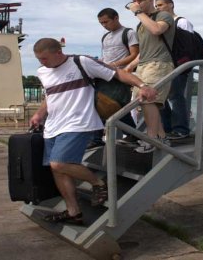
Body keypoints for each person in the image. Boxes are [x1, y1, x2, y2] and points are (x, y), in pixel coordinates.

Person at [30, 38, 157, 224]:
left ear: (58, 52)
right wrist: (39, 115)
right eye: (39, 59)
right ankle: (74, 212)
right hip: (52, 126)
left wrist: (143, 86)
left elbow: (118, 74)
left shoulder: (81, 62)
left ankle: (98, 183)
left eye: (44, 58)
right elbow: (50, 96)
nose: (42, 63)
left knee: (59, 163)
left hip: (78, 123)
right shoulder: (43, 72)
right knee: (58, 171)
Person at [124, 0, 175, 153]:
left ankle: (151, 139)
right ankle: (160, 137)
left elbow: (157, 30)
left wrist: (138, 12)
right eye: (134, 0)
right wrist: (130, 66)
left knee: (148, 99)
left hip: (159, 63)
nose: (136, 3)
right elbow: (143, 51)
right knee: (146, 103)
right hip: (144, 65)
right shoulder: (141, 23)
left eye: (140, 0)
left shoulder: (163, 15)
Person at [87, 7, 140, 148]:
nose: (104, 25)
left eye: (106, 22)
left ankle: (129, 134)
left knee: (114, 105)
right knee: (103, 104)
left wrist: (114, 65)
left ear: (116, 18)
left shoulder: (129, 33)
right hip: (104, 75)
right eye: (101, 23)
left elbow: (134, 54)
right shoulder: (105, 36)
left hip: (121, 75)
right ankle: (131, 134)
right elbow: (106, 55)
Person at [155, 0, 193, 140]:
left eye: (160, 5)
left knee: (176, 96)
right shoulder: (160, 23)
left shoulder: (181, 21)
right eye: (156, 5)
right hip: (163, 65)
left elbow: (189, 45)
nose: (158, 7)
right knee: (160, 97)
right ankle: (167, 128)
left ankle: (181, 129)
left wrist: (183, 64)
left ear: (171, 5)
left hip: (178, 64)